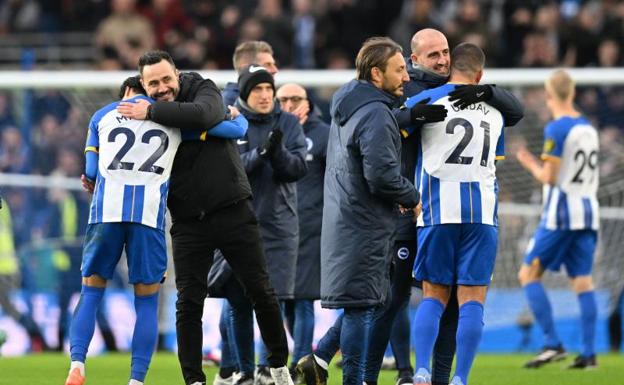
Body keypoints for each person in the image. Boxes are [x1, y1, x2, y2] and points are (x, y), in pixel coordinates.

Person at [296, 28, 523, 385]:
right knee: (389, 299)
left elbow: (514, 108)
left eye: (446, 52)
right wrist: (412, 118)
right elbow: (379, 122)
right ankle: (364, 370)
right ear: (413, 61)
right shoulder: (408, 90)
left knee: (428, 301)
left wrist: (486, 91)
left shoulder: (451, 92)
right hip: (409, 212)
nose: (443, 60)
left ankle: (427, 376)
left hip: (429, 211)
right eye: (433, 55)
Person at [116, 50, 293, 385]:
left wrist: (154, 112)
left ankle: (278, 368)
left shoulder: (201, 87)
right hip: (187, 220)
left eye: (166, 79)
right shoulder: (137, 113)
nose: (162, 87)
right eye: (153, 84)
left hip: (232, 208)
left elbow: (207, 113)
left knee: (260, 290)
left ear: (178, 74)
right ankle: (194, 380)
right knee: (189, 303)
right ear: (142, 84)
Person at [300, 37, 420, 385]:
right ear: (376, 74)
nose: (406, 78)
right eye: (399, 70)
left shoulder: (348, 104)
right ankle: (352, 380)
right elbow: (381, 175)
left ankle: (319, 360)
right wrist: (411, 196)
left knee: (366, 302)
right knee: (363, 306)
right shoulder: (376, 114)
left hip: (348, 217)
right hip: (365, 222)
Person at [64, 76, 183, 385]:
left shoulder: (102, 114)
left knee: (90, 291)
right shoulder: (173, 117)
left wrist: (94, 177)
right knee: (146, 302)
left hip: (106, 213)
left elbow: (90, 172)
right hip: (148, 218)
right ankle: (136, 381)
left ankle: (77, 365)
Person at [406, 42, 505, 385]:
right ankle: (460, 378)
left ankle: (420, 372)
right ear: (480, 76)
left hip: (436, 212)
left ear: (449, 69)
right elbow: (495, 165)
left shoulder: (428, 100)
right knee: (472, 300)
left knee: (433, 295)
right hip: (482, 215)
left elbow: (399, 129)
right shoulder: (495, 113)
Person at [208, 66, 307, 385]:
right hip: (237, 224)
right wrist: (262, 153)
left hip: (279, 228)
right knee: (238, 301)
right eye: (258, 90)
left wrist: (276, 152)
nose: (265, 95)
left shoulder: (289, 123)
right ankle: (244, 371)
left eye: (268, 88)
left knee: (272, 299)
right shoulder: (232, 122)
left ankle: (269, 368)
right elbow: (230, 170)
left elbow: (296, 169)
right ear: (246, 94)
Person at [516, 69, 599, 369]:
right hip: (588, 214)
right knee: (583, 282)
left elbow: (548, 178)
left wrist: (527, 162)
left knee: (528, 275)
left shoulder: (557, 129)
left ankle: (552, 343)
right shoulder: (588, 128)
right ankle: (589, 355)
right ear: (573, 93)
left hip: (560, 217)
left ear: (549, 96)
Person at [276, 83, 329, 377]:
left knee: (305, 298)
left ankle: (298, 364)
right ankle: (300, 359)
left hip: (312, 225)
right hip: (278, 227)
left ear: (308, 103)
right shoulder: (274, 133)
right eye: (283, 99)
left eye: (296, 99)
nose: (289, 104)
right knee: (284, 300)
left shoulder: (323, 135)